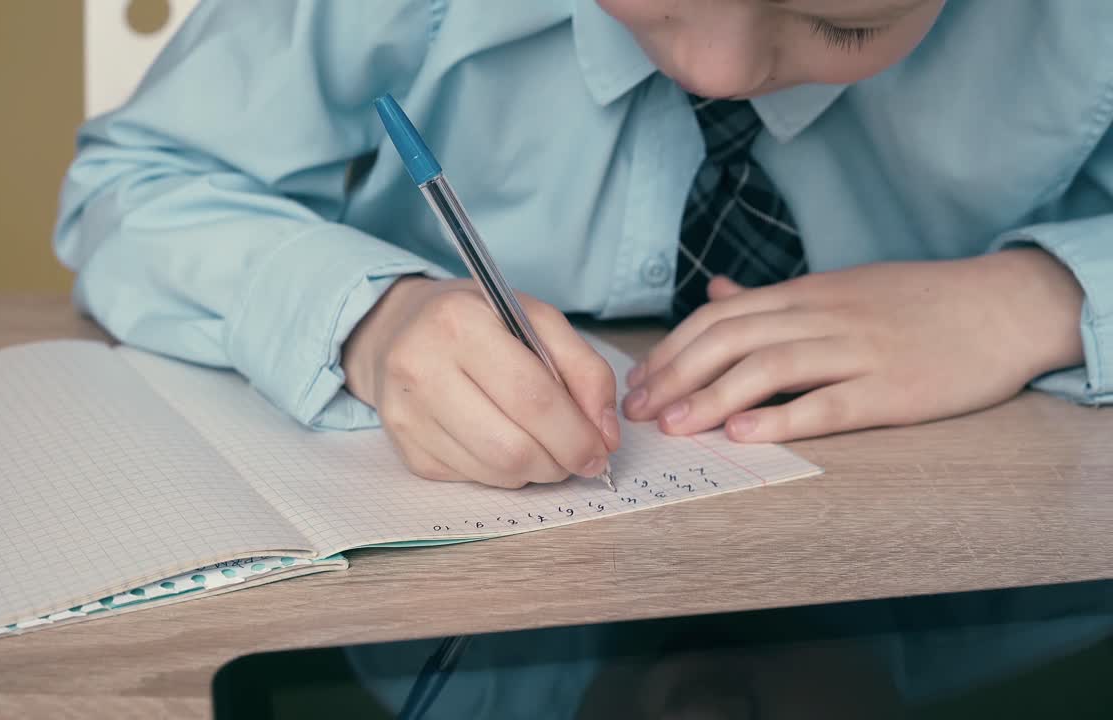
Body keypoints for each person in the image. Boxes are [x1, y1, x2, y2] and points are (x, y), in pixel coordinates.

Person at [54, 0, 1112, 713]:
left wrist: (1041, 298)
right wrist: (371, 321)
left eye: (846, 22)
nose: (717, 67)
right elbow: (131, 187)